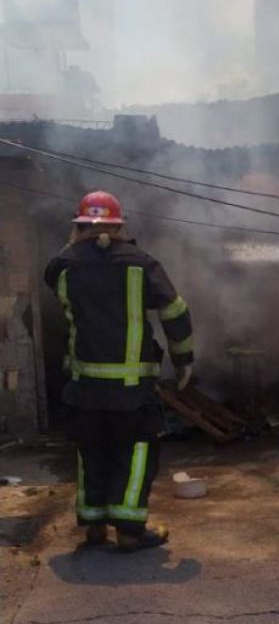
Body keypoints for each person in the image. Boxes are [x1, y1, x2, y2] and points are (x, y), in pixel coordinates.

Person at [45, 191, 194, 551]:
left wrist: (79, 244)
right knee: (135, 453)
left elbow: (63, 285)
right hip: (131, 389)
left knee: (91, 451)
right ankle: (129, 531)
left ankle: (95, 525)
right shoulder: (141, 263)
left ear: (79, 226)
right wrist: (183, 359)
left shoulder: (62, 267)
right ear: (119, 226)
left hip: (84, 386)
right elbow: (174, 310)